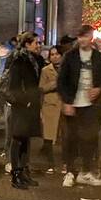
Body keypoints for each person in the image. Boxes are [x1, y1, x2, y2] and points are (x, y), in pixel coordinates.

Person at [58, 25, 101, 187]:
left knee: (89, 139)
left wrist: (99, 88)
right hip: (74, 103)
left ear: (91, 38)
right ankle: (69, 172)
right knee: (70, 138)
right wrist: (67, 101)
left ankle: (85, 171)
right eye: (81, 37)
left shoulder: (99, 58)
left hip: (90, 105)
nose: (83, 40)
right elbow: (62, 81)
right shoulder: (70, 57)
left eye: (86, 36)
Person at [3, 32, 44, 188]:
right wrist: (24, 100)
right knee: (18, 139)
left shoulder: (36, 60)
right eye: (36, 43)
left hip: (31, 105)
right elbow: (14, 85)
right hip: (21, 106)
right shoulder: (19, 60)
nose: (38, 45)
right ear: (27, 44)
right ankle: (16, 174)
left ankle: (24, 171)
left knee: (26, 139)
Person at [38, 45, 63, 173]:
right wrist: (54, 84)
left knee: (65, 136)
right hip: (50, 106)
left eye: (57, 54)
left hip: (64, 106)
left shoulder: (67, 69)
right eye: (52, 55)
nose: (55, 56)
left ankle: (64, 164)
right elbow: (41, 88)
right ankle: (51, 164)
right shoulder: (45, 70)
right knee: (48, 136)